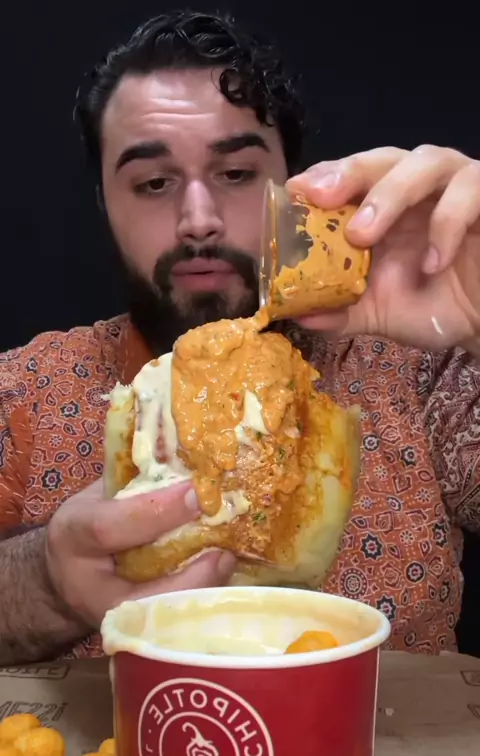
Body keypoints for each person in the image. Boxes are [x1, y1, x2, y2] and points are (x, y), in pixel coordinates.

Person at [1, 10, 480, 666]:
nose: (198, 219)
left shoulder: (424, 375)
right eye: (153, 183)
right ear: (105, 204)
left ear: (296, 190)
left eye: (236, 175)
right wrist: (44, 582)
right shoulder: (24, 391)